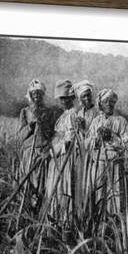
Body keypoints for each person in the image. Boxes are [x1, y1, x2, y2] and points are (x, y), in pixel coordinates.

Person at [84, 88, 128, 218]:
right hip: (99, 164)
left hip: (115, 164)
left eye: (111, 102)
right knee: (99, 194)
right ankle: (99, 222)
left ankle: (114, 224)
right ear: (101, 104)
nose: (109, 104)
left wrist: (112, 137)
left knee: (114, 195)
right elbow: (87, 143)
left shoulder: (120, 121)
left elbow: (126, 144)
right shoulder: (96, 122)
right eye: (106, 102)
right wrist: (97, 139)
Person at [44, 79, 81, 230]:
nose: (63, 101)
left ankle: (65, 224)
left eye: (66, 98)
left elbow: (70, 140)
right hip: (57, 157)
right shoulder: (64, 115)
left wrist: (55, 150)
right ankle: (55, 223)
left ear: (72, 98)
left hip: (65, 158)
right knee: (55, 188)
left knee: (64, 189)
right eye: (61, 99)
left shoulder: (73, 115)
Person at [17, 79, 61, 208]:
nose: (36, 95)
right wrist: (30, 126)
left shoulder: (48, 112)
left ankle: (40, 210)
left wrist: (43, 126)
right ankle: (26, 209)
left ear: (43, 95)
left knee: (42, 184)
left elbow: (53, 134)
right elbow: (20, 136)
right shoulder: (25, 112)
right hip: (28, 152)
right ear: (30, 95)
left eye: (39, 93)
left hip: (43, 152)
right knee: (28, 183)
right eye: (33, 93)